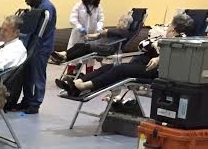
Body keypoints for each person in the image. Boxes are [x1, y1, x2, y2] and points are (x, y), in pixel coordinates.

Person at [57, 13, 194, 96]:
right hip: (143, 64)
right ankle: (77, 84)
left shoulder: (181, 40)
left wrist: (158, 57)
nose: (167, 27)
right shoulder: (165, 37)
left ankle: (84, 86)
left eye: (170, 25)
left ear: (174, 28)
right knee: (109, 67)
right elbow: (143, 44)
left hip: (155, 71)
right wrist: (155, 44)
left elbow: (174, 54)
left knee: (120, 69)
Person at [18, 0, 57, 114]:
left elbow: (39, 28)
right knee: (27, 74)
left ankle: (35, 103)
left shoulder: (47, 8)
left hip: (42, 47)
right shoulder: (36, 7)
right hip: (32, 46)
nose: (26, 2)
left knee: (38, 76)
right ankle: (27, 100)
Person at [51, 12, 133, 63]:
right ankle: (63, 54)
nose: (118, 22)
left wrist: (102, 32)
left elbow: (105, 32)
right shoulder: (118, 31)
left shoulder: (124, 31)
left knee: (84, 48)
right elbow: (99, 35)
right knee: (79, 45)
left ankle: (65, 58)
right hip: (103, 45)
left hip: (108, 48)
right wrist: (88, 36)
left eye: (120, 21)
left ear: (125, 22)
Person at [64, 0, 104, 73]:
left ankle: (88, 75)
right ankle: (70, 75)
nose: (92, 1)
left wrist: (99, 29)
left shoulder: (98, 8)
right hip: (78, 35)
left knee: (90, 59)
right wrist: (79, 27)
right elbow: (72, 19)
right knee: (73, 57)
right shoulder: (79, 5)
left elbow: (100, 20)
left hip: (91, 36)